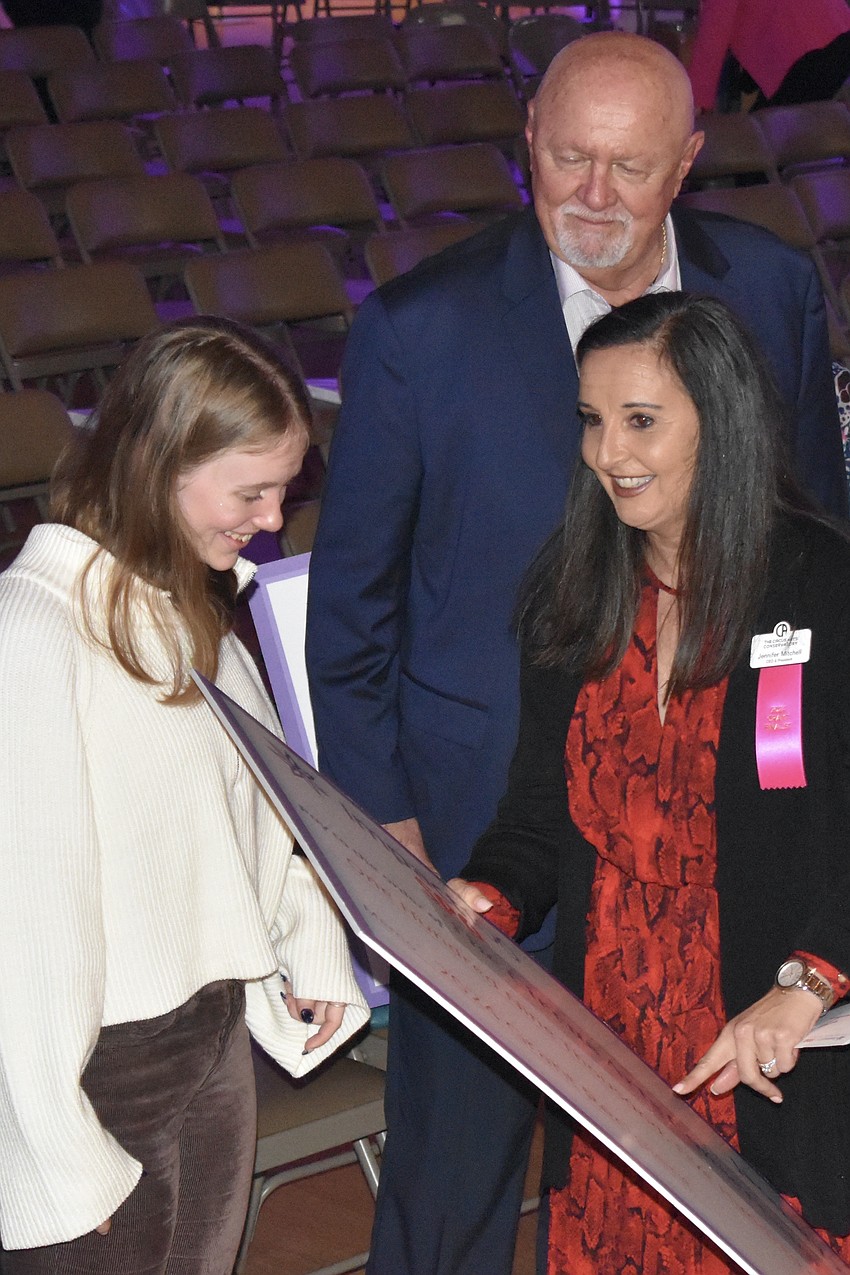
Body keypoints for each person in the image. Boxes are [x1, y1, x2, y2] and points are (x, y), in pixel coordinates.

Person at [306, 31, 847, 1275]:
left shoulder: (765, 286)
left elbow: (811, 537)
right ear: (525, 150)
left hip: (736, 843)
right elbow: (351, 616)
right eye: (565, 158)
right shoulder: (417, 327)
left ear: (687, 167)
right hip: (495, 829)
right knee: (454, 1173)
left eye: (627, 165)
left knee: (738, 1195)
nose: (592, 194)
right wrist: (392, 830)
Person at [452, 290, 850, 1274]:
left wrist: (805, 985)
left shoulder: (823, 589)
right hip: (615, 1052)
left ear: (723, 423)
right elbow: (541, 813)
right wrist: (486, 895)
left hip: (771, 1048)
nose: (607, 452)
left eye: (640, 421)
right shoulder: (576, 590)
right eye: (591, 419)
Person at [0, 317, 370, 1272]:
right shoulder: (35, 630)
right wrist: (59, 1151)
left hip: (210, 1032)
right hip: (102, 1072)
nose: (273, 518)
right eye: (251, 491)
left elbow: (260, 801)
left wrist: (307, 935)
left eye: (283, 490)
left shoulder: (176, 601)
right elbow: (26, 924)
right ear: (162, 464)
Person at [686, 0, 850, 113]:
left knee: (766, 142)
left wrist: (695, 103)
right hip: (837, 33)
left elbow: (714, 33)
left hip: (806, 52)